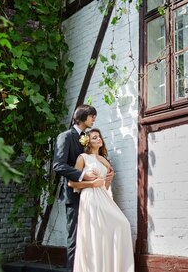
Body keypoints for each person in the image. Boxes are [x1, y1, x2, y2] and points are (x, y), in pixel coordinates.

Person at [68, 128, 134, 272]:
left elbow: (105, 185)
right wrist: (91, 184)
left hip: (103, 196)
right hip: (90, 198)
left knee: (123, 224)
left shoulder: (104, 160)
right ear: (88, 142)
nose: (98, 139)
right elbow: (71, 184)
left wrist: (109, 179)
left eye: (99, 137)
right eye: (94, 137)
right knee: (95, 235)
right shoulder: (83, 158)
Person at [52, 104, 102, 272]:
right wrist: (82, 176)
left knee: (90, 237)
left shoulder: (87, 138)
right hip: (73, 195)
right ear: (82, 117)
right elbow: (58, 165)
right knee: (75, 238)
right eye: (91, 115)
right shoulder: (65, 136)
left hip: (91, 195)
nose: (94, 118)